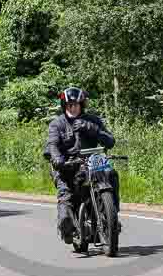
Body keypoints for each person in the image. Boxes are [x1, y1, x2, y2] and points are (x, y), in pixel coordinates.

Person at [43, 87, 119, 243]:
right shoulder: (57, 124)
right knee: (66, 195)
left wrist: (92, 129)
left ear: (81, 105)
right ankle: (66, 224)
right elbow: (52, 145)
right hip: (67, 166)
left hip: (92, 162)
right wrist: (57, 158)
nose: (73, 108)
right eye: (70, 105)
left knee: (111, 174)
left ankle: (112, 216)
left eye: (76, 104)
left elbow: (110, 141)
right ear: (64, 106)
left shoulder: (93, 120)